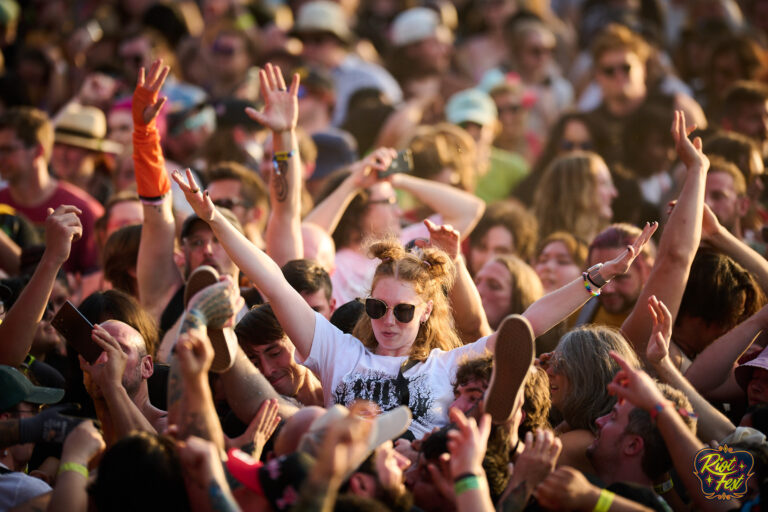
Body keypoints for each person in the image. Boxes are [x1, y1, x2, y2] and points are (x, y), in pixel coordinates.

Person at [172, 155, 656, 438]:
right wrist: (215, 219)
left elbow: (528, 323)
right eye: (377, 307)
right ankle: (221, 345)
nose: (387, 320)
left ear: (425, 312)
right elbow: (273, 281)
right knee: (304, 425)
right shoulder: (340, 352)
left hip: (422, 478)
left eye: (403, 311)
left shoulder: (448, 366)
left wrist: (598, 277)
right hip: (346, 472)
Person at [0, 107, 103, 280]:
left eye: (8, 150)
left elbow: (95, 282)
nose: (0, 157)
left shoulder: (84, 210)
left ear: (38, 151)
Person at [235, 303, 324, 407]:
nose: (267, 371)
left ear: (300, 340)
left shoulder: (341, 383)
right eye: (254, 363)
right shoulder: (256, 419)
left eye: (275, 353)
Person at [575, 224, 656, 330]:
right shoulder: (577, 314)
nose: (607, 289)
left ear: (647, 271)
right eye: (599, 277)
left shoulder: (662, 323)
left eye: (620, 277)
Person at [532, 151, 618, 243]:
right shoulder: (540, 251)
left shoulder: (612, 245)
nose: (614, 193)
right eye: (604, 184)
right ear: (577, 191)